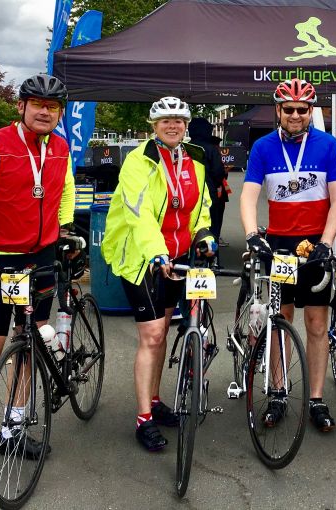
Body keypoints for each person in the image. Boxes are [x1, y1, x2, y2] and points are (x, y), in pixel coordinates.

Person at [0, 74, 74, 499]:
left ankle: (13, 429)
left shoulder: (60, 147)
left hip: (40, 259)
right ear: (21, 106)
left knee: (29, 346)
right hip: (0, 261)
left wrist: (65, 230)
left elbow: (66, 190)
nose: (45, 111)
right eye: (37, 103)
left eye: (53, 106)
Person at [101, 97, 215, 452]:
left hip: (176, 257)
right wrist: (156, 251)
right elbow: (139, 213)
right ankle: (143, 418)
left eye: (179, 120)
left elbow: (201, 206)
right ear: (153, 126)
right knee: (151, 334)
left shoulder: (195, 158)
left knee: (163, 328)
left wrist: (204, 235)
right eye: (165, 120)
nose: (172, 125)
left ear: (186, 125)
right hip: (141, 256)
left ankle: (154, 399)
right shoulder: (139, 161)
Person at [240, 78, 336, 431]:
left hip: (315, 245)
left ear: (311, 111)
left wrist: (326, 243)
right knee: (280, 319)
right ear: (278, 110)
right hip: (281, 246)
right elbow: (249, 195)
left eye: (303, 109)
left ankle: (316, 398)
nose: (296, 115)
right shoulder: (263, 147)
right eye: (289, 109)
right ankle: (278, 392)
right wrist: (252, 235)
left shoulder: (327, 145)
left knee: (317, 323)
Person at [187, 118, 229, 247]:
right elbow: (218, 172)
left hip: (188, 192)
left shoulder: (185, 147)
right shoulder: (211, 149)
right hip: (210, 193)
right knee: (213, 225)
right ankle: (212, 252)